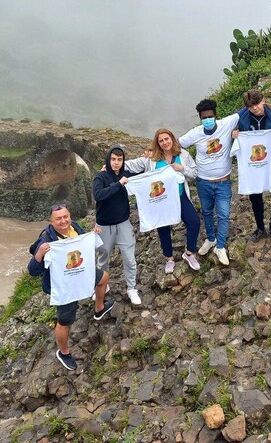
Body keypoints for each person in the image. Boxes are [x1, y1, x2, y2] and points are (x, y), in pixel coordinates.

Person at [27, 204, 115, 371]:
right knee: (65, 321)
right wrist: (39, 254)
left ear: (70, 216)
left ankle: (99, 308)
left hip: (80, 274)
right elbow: (32, 271)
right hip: (64, 286)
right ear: (51, 221)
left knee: (103, 277)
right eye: (58, 218)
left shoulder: (74, 226)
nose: (63, 221)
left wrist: (92, 234)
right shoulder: (46, 240)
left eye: (65, 216)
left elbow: (84, 243)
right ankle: (64, 352)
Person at [125, 128, 201, 274]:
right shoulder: (151, 159)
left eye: (167, 139)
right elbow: (132, 165)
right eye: (161, 140)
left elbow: (194, 173)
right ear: (157, 143)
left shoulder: (183, 155)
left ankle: (189, 253)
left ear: (172, 139)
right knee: (163, 228)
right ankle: (169, 259)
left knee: (194, 222)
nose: (165, 142)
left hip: (179, 196)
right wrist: (111, 165)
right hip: (160, 199)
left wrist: (182, 169)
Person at [179, 98, 241, 266]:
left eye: (210, 116)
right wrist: (152, 152)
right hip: (203, 182)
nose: (207, 120)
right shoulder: (195, 133)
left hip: (223, 182)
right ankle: (211, 239)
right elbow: (176, 144)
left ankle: (220, 247)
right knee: (206, 212)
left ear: (215, 115)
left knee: (223, 214)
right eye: (204, 117)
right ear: (200, 118)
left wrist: (268, 106)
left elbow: (248, 110)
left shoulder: (226, 124)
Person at [233, 90, 271, 241]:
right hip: (252, 165)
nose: (255, 108)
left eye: (257, 104)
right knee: (255, 195)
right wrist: (234, 136)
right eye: (251, 106)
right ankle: (260, 228)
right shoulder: (242, 118)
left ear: (263, 100)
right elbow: (231, 135)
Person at [92, 146, 141, 305]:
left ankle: (132, 288)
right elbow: (99, 195)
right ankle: (102, 286)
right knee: (102, 257)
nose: (116, 163)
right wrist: (119, 184)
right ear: (108, 159)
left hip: (123, 223)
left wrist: (149, 155)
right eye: (113, 159)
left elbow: (145, 173)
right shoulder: (100, 177)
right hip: (104, 226)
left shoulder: (125, 174)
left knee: (129, 258)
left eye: (119, 160)